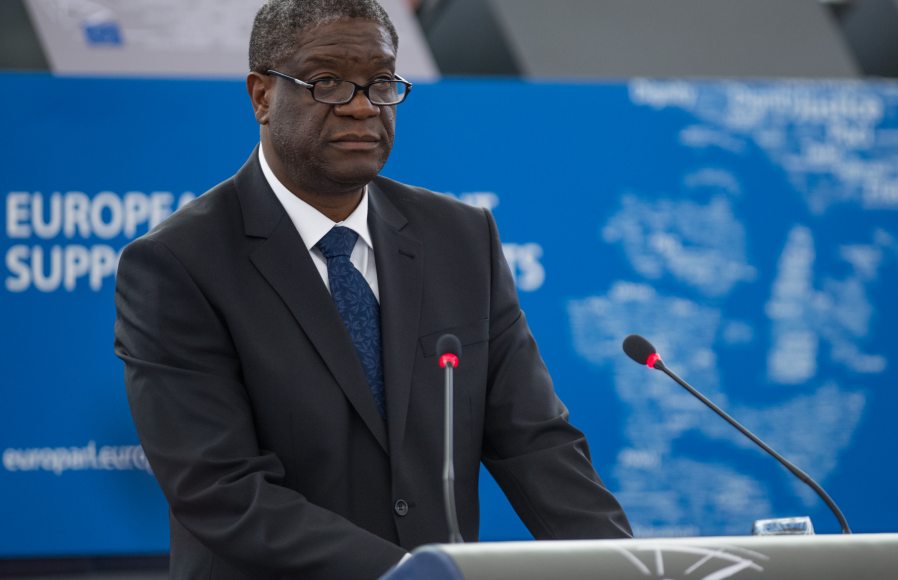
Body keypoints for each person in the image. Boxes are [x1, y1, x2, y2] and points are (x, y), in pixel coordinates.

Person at [113, 0, 631, 578]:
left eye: (380, 83)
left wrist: (627, 565)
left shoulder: (461, 238)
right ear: (261, 96)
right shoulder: (177, 263)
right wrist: (407, 574)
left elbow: (535, 443)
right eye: (327, 82)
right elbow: (224, 491)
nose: (361, 107)